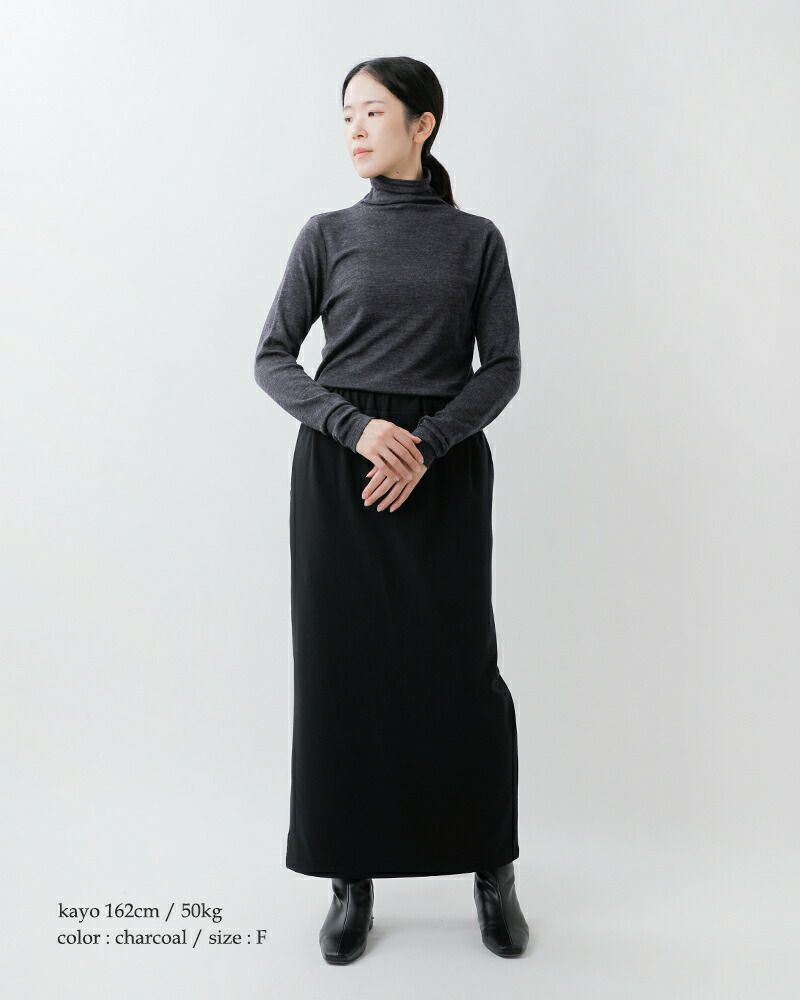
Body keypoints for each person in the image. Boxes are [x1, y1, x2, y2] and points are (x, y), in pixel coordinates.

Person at [253, 55, 530, 963]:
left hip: (442, 469)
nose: (355, 130)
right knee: (342, 672)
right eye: (346, 115)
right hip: (342, 469)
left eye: (373, 112)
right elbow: (273, 357)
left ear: (424, 124)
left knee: (462, 673)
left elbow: (502, 367)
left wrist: (429, 443)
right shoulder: (326, 234)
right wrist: (357, 427)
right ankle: (350, 875)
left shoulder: (476, 239)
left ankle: (491, 868)